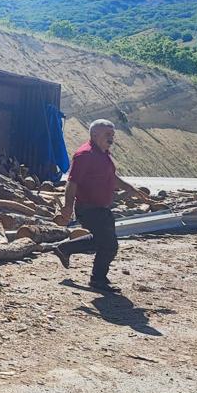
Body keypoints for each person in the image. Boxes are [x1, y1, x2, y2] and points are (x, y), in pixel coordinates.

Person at [51, 119, 151, 292]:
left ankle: (64, 248)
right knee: (109, 245)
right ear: (94, 135)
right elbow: (72, 182)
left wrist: (131, 188)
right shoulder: (85, 155)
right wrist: (67, 207)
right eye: (107, 134)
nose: (111, 138)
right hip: (89, 208)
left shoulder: (104, 153)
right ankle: (98, 280)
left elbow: (113, 178)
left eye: (112, 134)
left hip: (102, 207)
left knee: (101, 240)